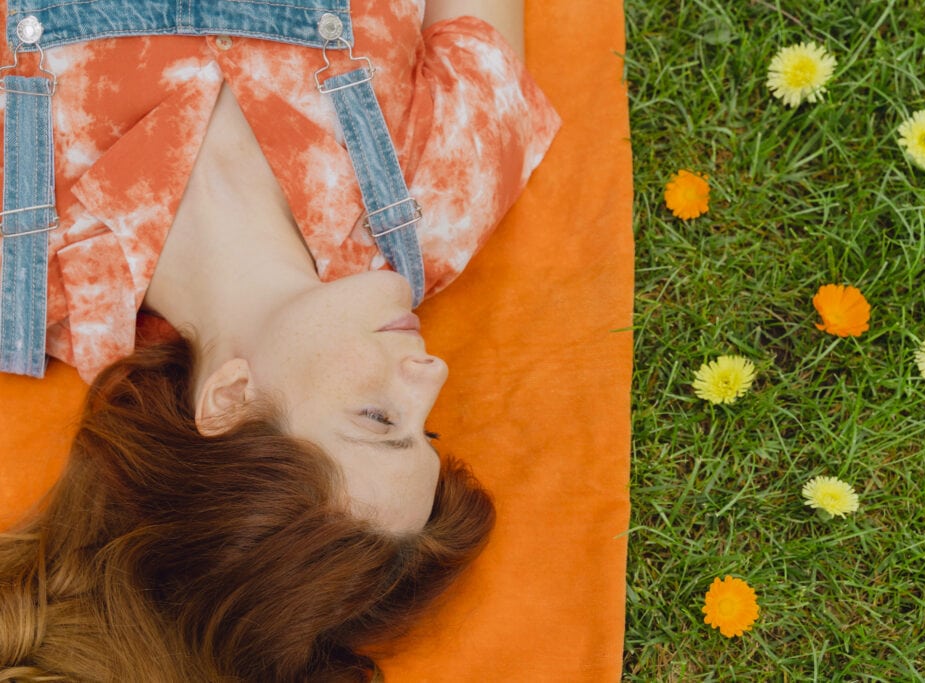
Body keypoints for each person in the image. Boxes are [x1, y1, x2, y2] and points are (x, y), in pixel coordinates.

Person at [0, 0, 559, 679]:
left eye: (380, 419)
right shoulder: (442, 200)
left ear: (231, 400)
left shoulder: (20, 262)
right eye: (428, 431)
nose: (433, 372)